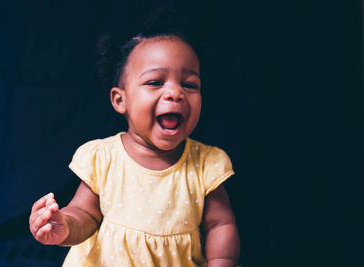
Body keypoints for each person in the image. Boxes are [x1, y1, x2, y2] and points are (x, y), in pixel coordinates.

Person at [29, 29, 240, 267]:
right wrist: (64, 226)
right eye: (155, 82)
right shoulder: (104, 157)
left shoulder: (205, 163)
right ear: (121, 100)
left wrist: (221, 261)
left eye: (190, 85)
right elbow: (84, 214)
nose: (175, 93)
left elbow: (219, 225)